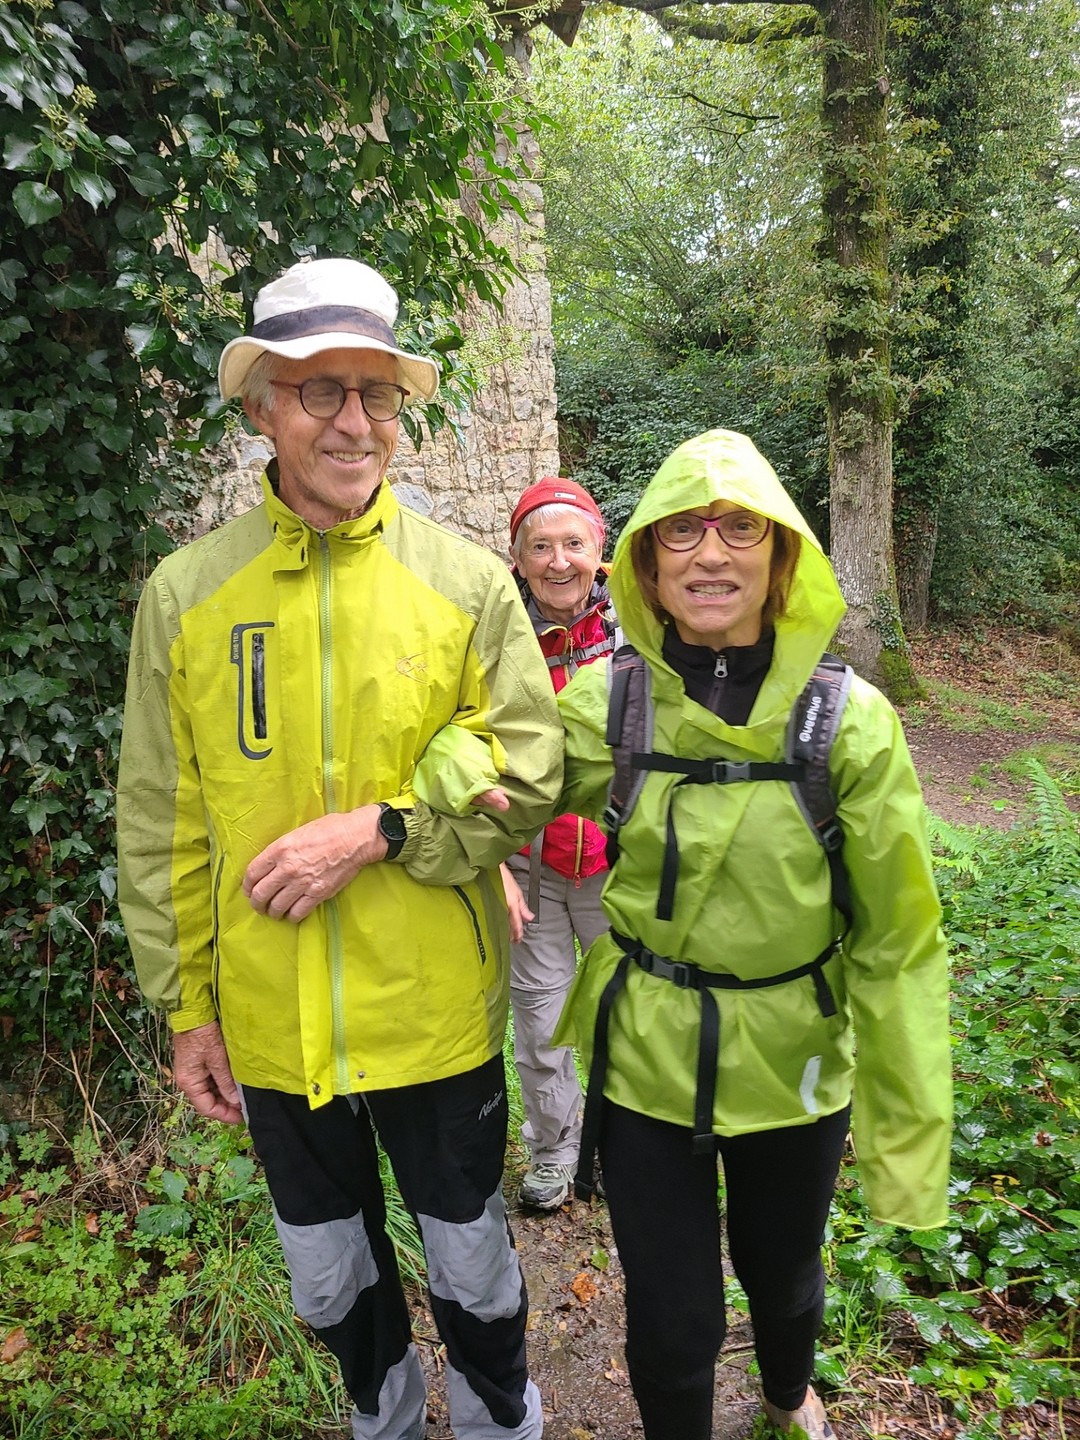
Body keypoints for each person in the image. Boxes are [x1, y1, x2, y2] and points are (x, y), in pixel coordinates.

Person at [116, 257, 563, 1440]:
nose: (354, 421)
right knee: (327, 1272)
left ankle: (498, 1420)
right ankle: (383, 1417)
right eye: (320, 392)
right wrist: (187, 1008)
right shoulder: (186, 595)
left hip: (433, 1013)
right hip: (267, 1021)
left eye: (376, 392)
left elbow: (527, 773)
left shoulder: (469, 585)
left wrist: (379, 829)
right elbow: (163, 825)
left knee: (471, 1261)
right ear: (262, 404)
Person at [547, 429, 953, 1439]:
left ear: (782, 562)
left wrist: (907, 1143)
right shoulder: (608, 700)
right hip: (645, 1055)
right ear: (645, 563)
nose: (712, 553)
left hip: (795, 1060)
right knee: (673, 1319)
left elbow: (899, 941)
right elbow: (487, 778)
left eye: (742, 528)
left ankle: (784, 1398)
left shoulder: (850, 724)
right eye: (681, 531)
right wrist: (386, 824)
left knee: (785, 1281)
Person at [503, 478, 615, 1211]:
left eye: (573, 543)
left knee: (627, 1016)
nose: (558, 561)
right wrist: (490, 865)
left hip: (619, 866)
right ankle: (556, 1152)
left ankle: (625, 1147)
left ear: (598, 551)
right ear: (516, 556)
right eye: (540, 546)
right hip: (527, 869)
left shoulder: (639, 627)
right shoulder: (494, 632)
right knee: (542, 1026)